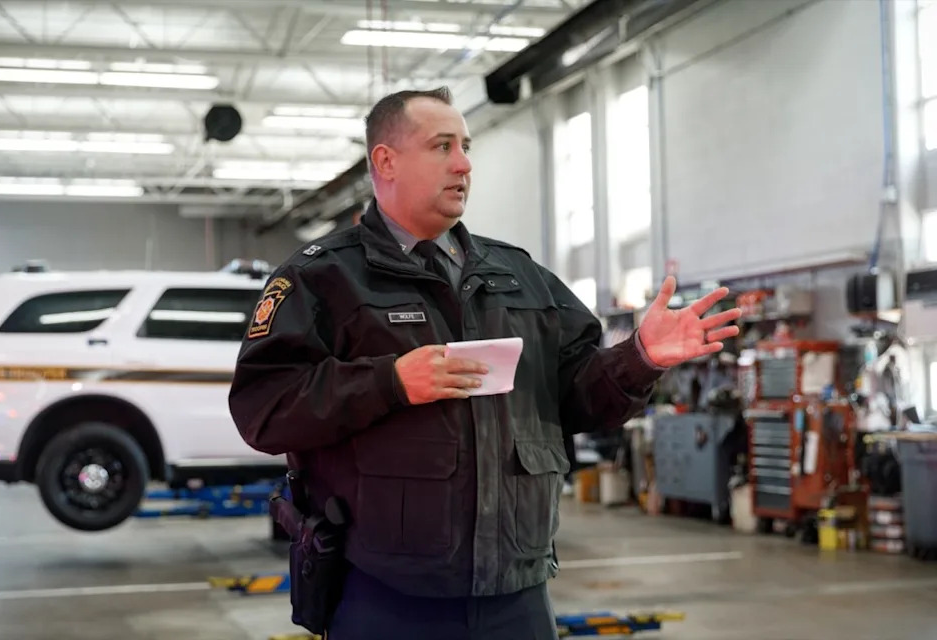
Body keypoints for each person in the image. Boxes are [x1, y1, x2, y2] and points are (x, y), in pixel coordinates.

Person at [228, 86, 741, 640]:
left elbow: (579, 396)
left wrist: (641, 357)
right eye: (442, 146)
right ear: (386, 161)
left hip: (516, 590)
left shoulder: (521, 277)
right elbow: (264, 408)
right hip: (384, 593)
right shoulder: (322, 278)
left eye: (466, 146)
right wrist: (389, 381)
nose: (464, 163)